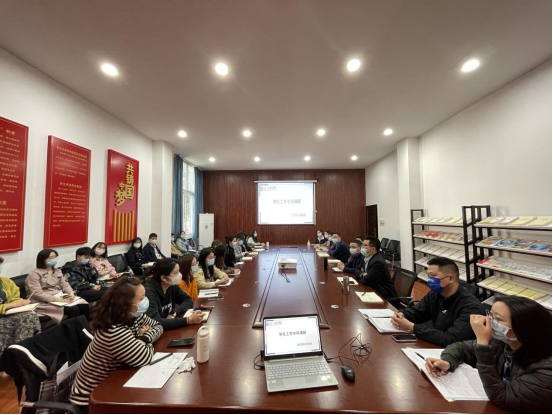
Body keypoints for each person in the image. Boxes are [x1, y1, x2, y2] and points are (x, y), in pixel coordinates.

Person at [426, 296, 552, 414]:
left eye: (498, 319)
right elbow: (462, 348)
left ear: (522, 328)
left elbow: (501, 397)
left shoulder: (547, 369)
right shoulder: (503, 342)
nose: (489, 321)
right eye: (491, 314)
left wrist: (482, 344)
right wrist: (448, 362)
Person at [70, 277, 164, 409]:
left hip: (115, 382)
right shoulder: (112, 330)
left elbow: (158, 326)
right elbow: (144, 357)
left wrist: (144, 338)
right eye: (141, 298)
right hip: (92, 401)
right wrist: (143, 340)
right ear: (125, 303)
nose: (145, 301)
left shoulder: (135, 315)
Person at [391, 257, 485, 347]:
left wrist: (412, 327)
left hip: (456, 353)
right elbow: (418, 312)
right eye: (428, 276)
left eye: (433, 276)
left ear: (450, 278)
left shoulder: (471, 307)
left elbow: (451, 339)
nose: (429, 280)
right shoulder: (435, 294)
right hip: (437, 346)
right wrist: (402, 314)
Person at [26, 249, 89, 325]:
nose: (54, 259)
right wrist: (56, 299)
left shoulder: (57, 271)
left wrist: (71, 293)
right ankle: (67, 329)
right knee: (73, 310)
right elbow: (37, 293)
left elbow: (65, 284)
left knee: (83, 305)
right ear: (43, 259)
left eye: (55, 257)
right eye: (51, 257)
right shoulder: (34, 274)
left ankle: (83, 327)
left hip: (59, 296)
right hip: (42, 301)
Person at [145, 258, 204, 330]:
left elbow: (188, 300)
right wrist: (188, 320)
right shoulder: (149, 292)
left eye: (179, 271)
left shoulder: (171, 285)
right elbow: (155, 322)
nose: (179, 275)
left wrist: (174, 312)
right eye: (176, 273)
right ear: (164, 278)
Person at [0, 257, 42, 357]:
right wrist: (10, 305)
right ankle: (21, 353)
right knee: (27, 319)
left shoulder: (6, 281)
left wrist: (21, 303)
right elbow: (11, 304)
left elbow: (15, 298)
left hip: (7, 315)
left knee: (29, 315)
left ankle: (21, 351)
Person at [355, 237, 398, 301]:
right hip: (373, 289)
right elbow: (356, 270)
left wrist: (362, 275)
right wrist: (362, 274)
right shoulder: (365, 258)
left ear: (373, 249)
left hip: (384, 296)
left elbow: (366, 281)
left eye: (365, 245)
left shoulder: (378, 262)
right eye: (362, 245)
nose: (362, 247)